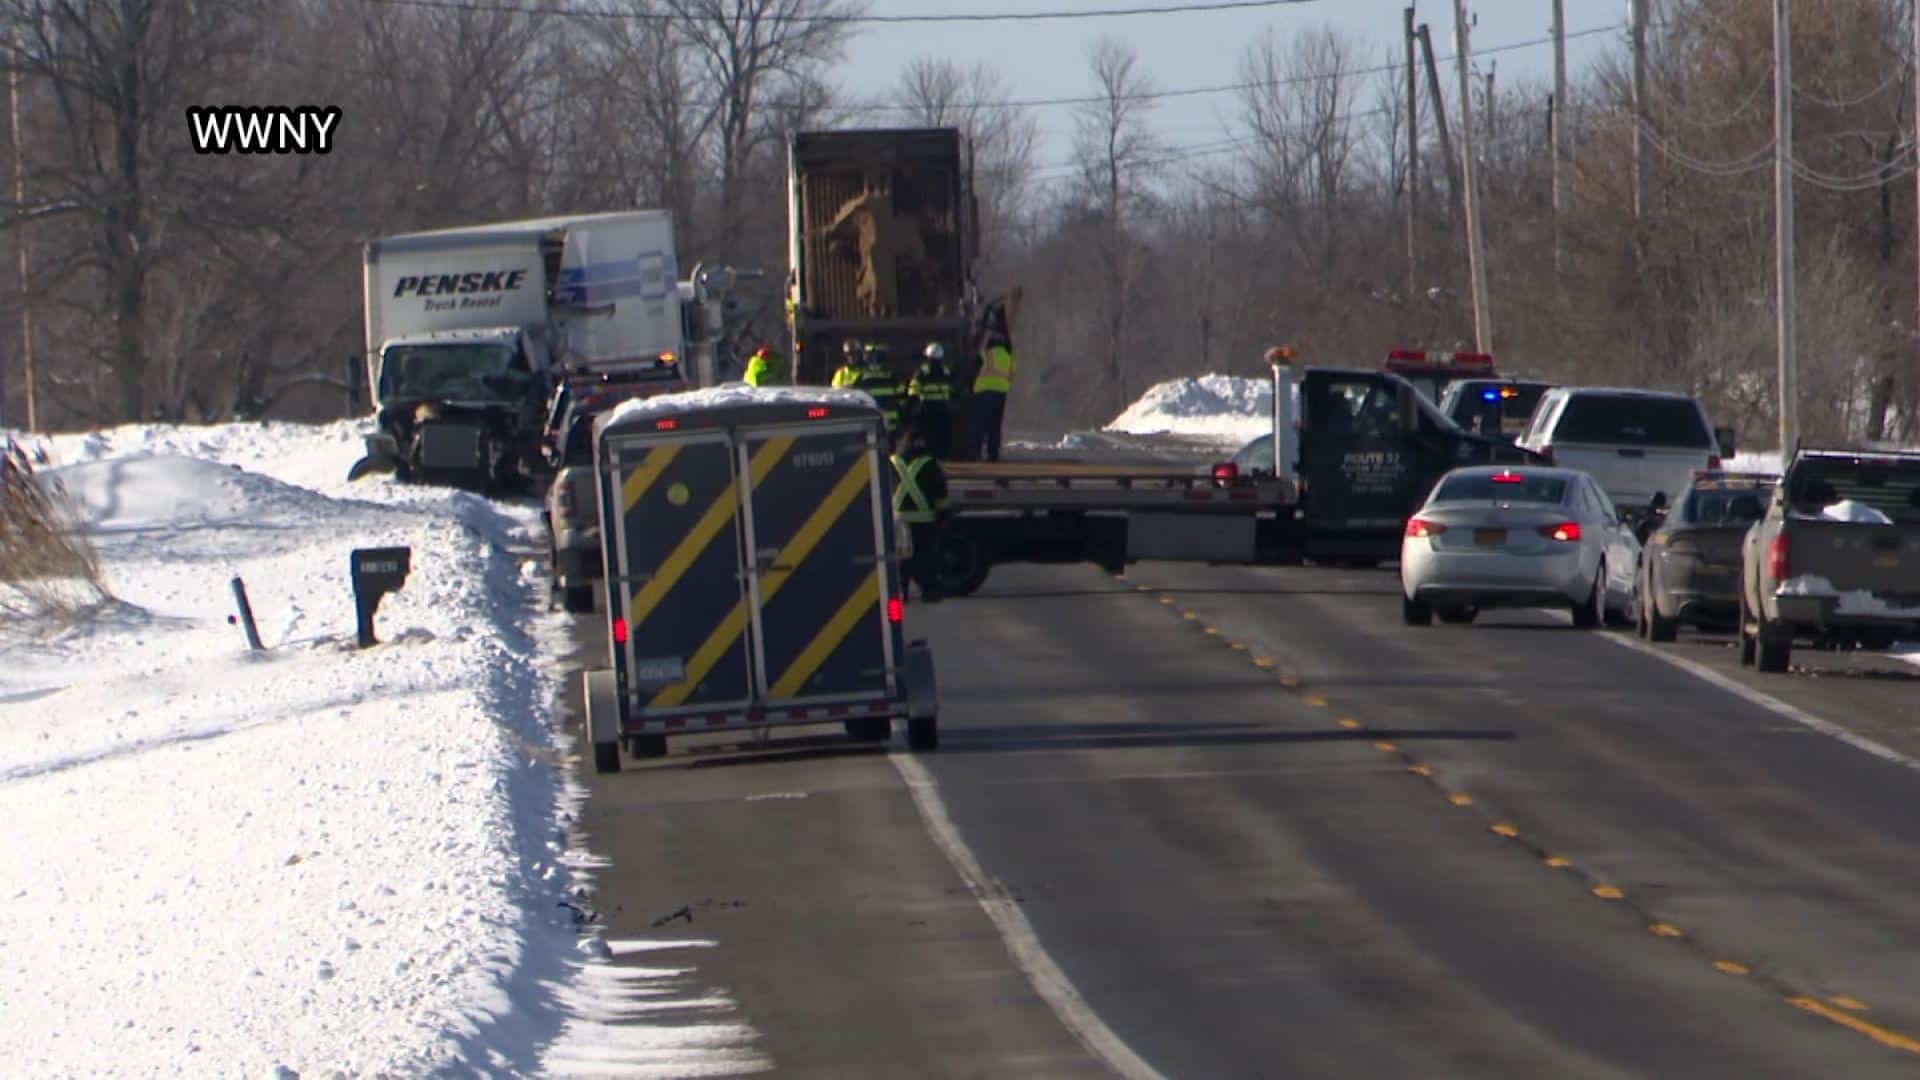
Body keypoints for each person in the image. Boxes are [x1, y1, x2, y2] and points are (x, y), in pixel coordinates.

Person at [890, 428, 949, 601]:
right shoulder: (930, 464)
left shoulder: (892, 462)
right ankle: (929, 592)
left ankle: (902, 592)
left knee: (902, 558)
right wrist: (943, 517)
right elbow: (941, 495)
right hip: (924, 521)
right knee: (924, 558)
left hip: (898, 520)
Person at [969, 335, 1015, 462]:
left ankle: (976, 453)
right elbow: (1011, 377)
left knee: (980, 424)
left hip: (983, 392)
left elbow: (973, 369)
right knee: (995, 425)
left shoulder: (985, 354)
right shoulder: (1009, 357)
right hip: (1000, 393)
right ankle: (993, 454)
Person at [907, 342, 955, 458]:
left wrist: (910, 409)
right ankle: (942, 457)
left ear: (927, 357)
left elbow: (913, 391)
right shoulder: (946, 371)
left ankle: (928, 456)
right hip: (943, 408)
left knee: (927, 434)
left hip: (927, 408)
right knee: (942, 435)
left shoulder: (922, 372)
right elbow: (954, 390)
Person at [854, 342, 904, 434]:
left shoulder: (862, 376)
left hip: (873, 419)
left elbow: (856, 397)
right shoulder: (891, 375)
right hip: (888, 418)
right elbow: (901, 396)